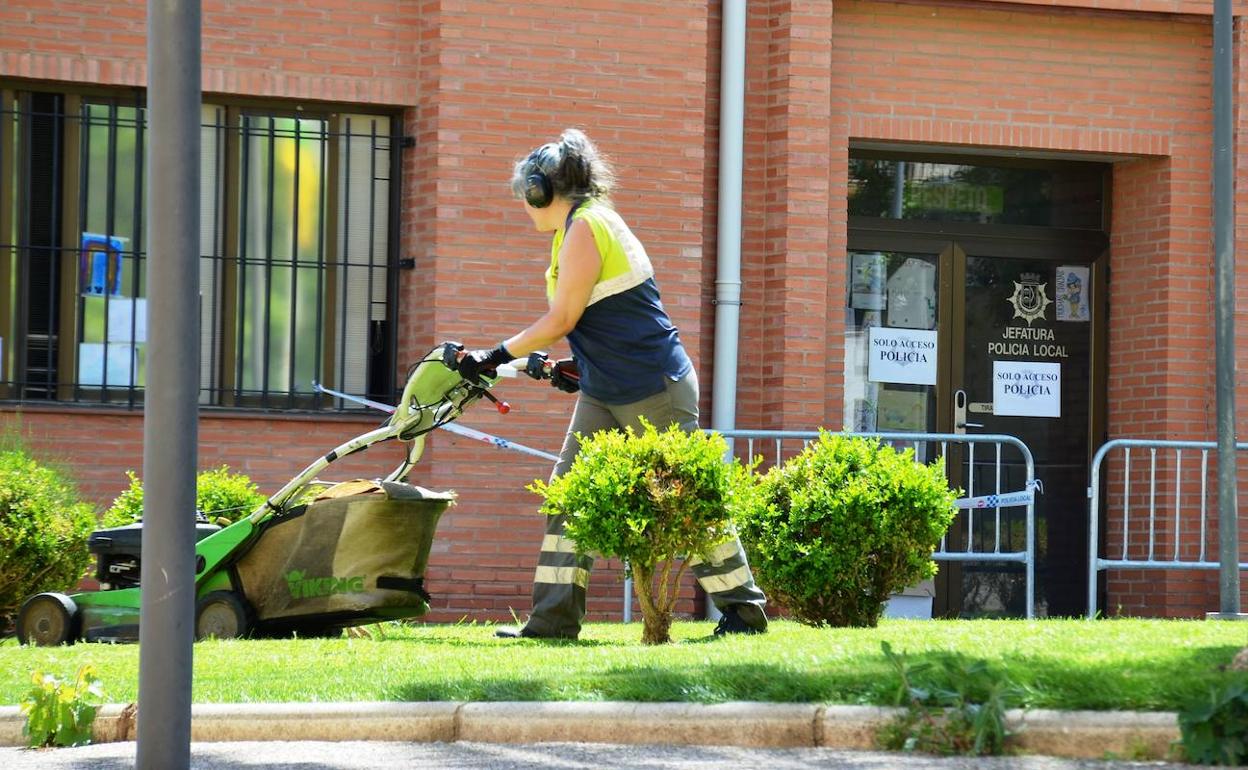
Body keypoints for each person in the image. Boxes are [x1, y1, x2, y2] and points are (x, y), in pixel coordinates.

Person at [456, 128, 769, 640]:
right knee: (569, 495)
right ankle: (553, 621)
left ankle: (745, 611)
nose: (523, 205)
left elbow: (561, 318)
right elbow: (591, 319)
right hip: (606, 388)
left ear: (541, 190)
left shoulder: (586, 226)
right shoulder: (575, 229)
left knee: (685, 499)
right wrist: (571, 365)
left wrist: (492, 357)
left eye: (525, 194)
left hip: (652, 388)